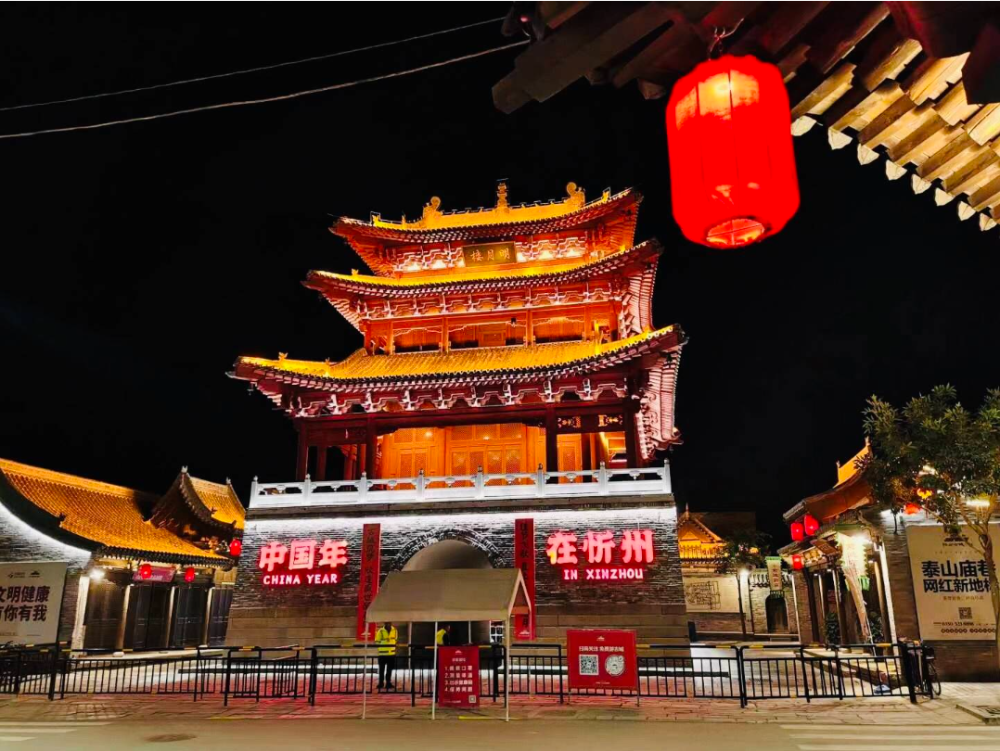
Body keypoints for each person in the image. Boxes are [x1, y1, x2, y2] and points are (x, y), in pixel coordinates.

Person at [375, 621, 397, 690]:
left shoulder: (395, 630)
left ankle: (388, 683)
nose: (388, 624)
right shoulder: (380, 631)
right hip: (383, 654)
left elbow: (395, 640)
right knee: (381, 669)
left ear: (391, 623)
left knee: (389, 670)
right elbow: (377, 641)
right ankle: (381, 683)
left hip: (391, 653)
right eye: (387, 623)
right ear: (384, 624)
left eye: (389, 623)